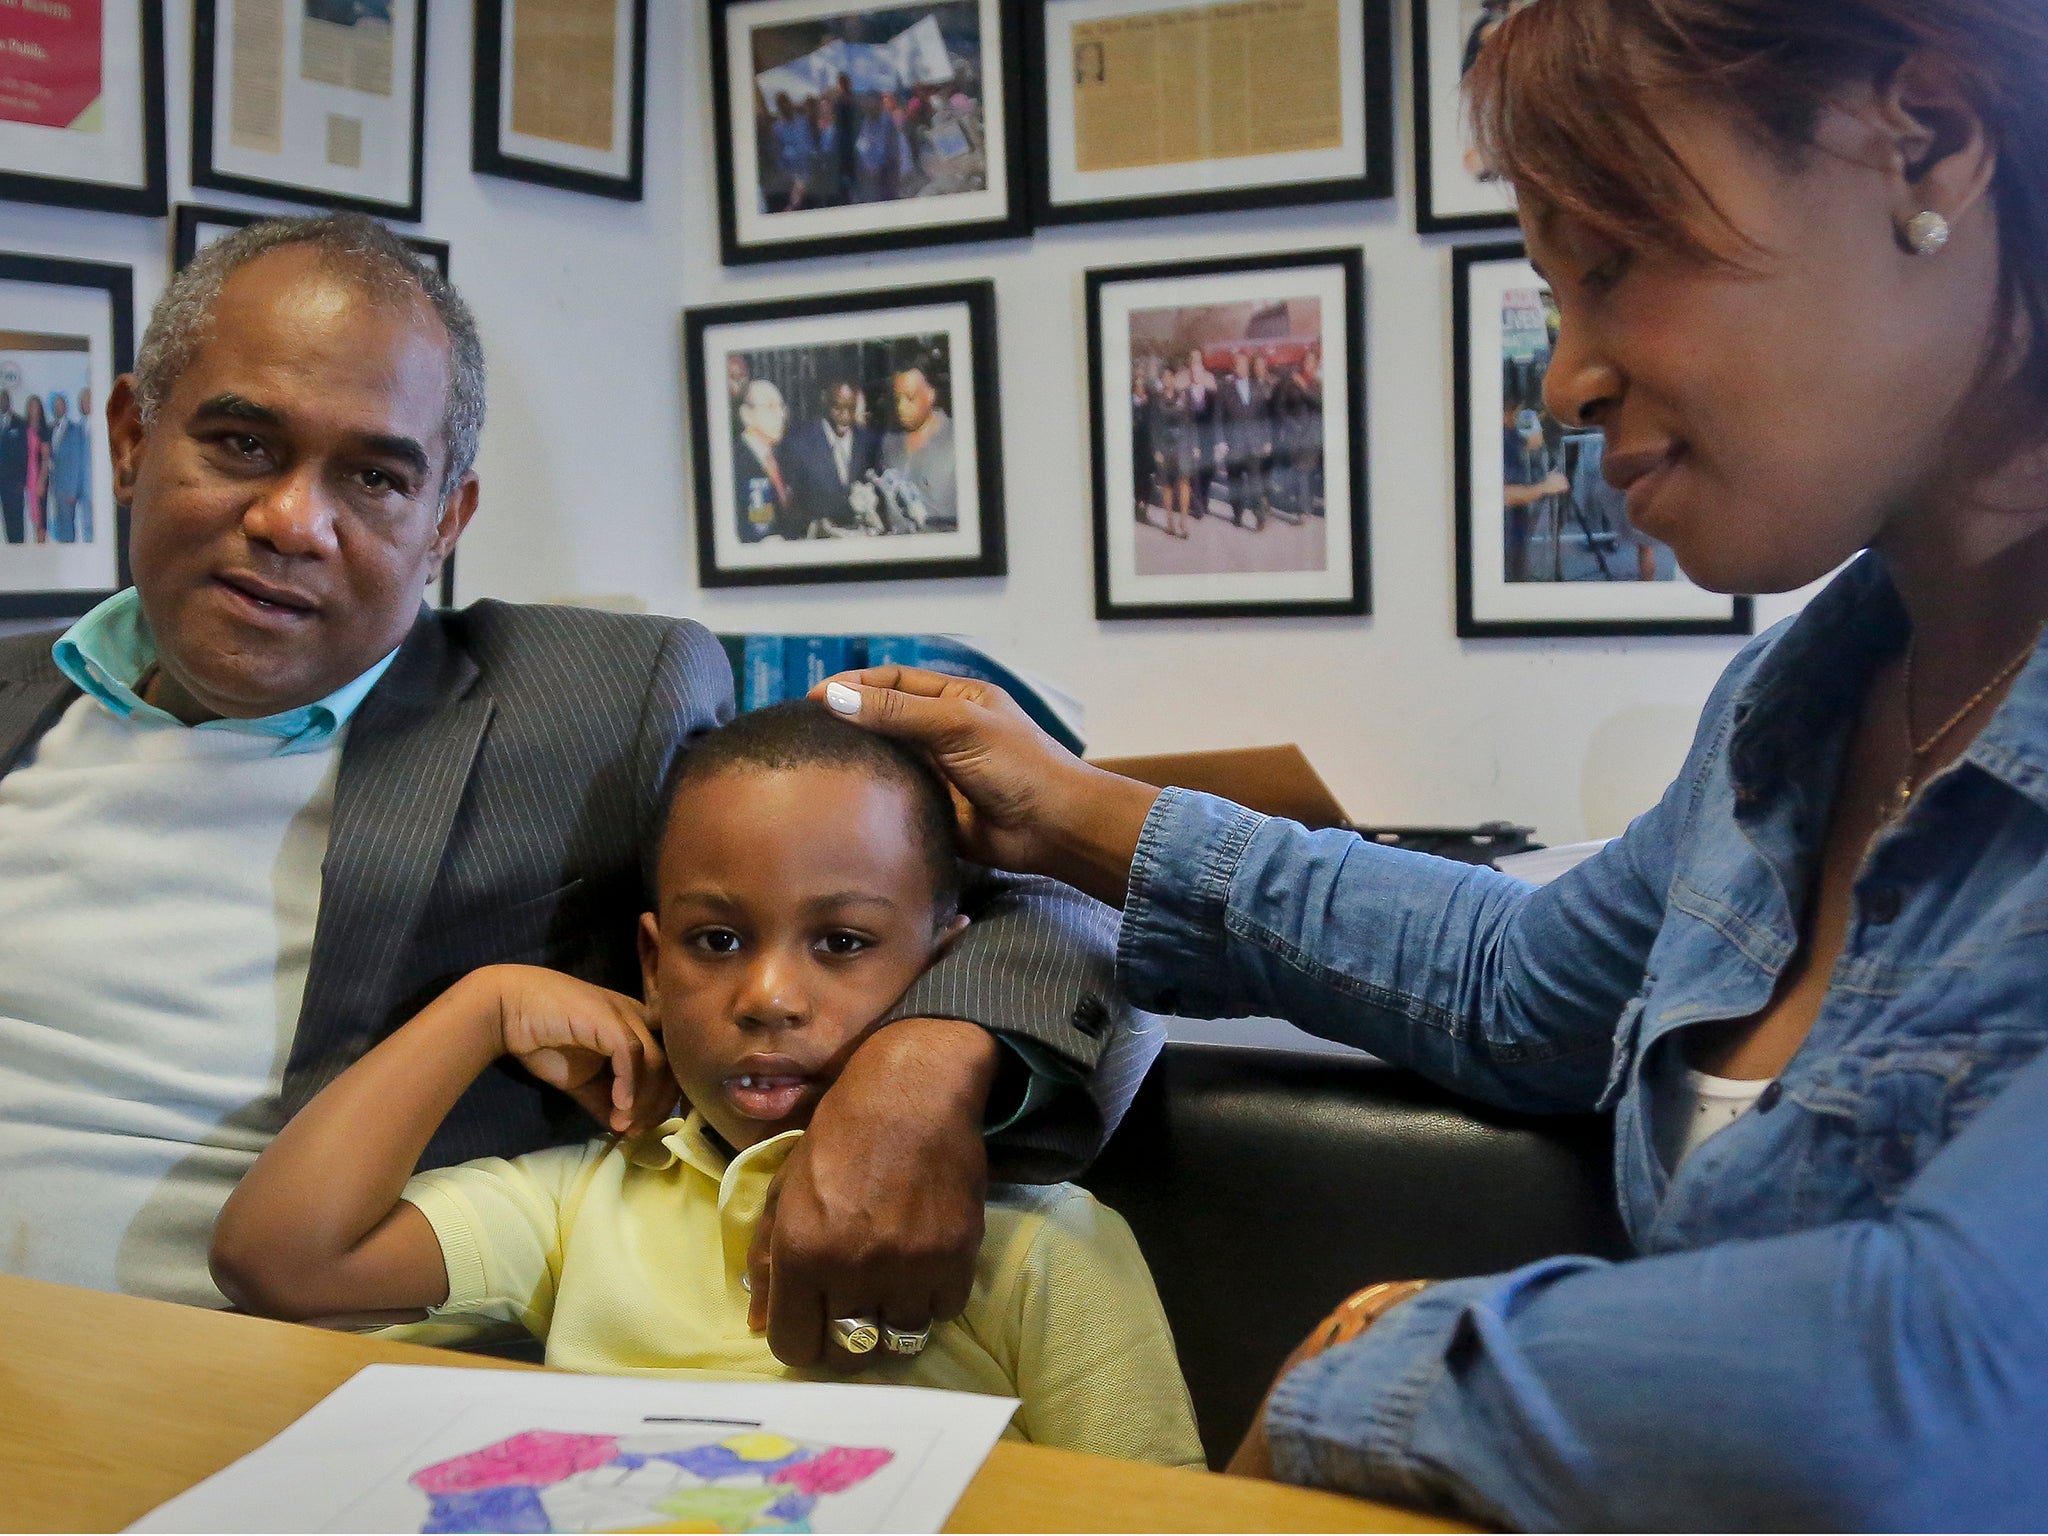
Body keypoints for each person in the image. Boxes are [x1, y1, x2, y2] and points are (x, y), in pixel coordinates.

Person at [809, 0, 2048, 1522]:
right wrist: (1064, 813)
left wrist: (1379, 1363)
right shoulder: (1796, 708)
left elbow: (1949, 1372)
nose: (1566, 380)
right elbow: (1516, 985)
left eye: (1612, 263)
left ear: (1928, 141)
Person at [0, 213, 1154, 1373]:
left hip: (275, 1375)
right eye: (244, 443)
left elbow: (1081, 888)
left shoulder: (595, 700)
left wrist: (923, 1074)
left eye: (375, 477)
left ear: (446, 520)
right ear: (132, 438)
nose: (294, 521)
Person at [211, 701, 1205, 1470]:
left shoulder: (1039, 1249)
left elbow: (1160, 1516)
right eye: (715, 940)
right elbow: (282, 1263)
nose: (768, 996)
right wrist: (480, 1008)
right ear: (651, 961)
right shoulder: (591, 1201)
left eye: (842, 942)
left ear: (942, 961)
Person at [783, 380, 882, 535]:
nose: (845, 416)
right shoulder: (798, 443)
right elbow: (789, 505)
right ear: (825, 400)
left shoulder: (869, 441)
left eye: (851, 408)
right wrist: (815, 528)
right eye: (838, 407)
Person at [880, 358, 957, 531]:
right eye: (897, 399)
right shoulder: (889, 442)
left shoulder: (957, 440)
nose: (901, 407)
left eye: (909, 398)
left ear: (931, 394)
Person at [1503, 404, 1569, 581]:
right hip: (1503, 536)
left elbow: (1530, 441)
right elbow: (1503, 495)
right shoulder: (1496, 434)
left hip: (1516, 531)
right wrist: (1545, 487)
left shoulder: (1509, 433)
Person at [732, 378, 799, 543]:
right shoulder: (736, 463)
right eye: (771, 407)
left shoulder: (782, 457)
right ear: (746, 415)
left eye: (781, 407)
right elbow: (758, 529)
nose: (781, 415)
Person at [1215, 351, 1273, 531]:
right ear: (1233, 367)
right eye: (1237, 364)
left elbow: (1264, 416)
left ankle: (1259, 516)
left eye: (1244, 364)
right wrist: (1220, 442)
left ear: (1248, 367)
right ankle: (1237, 513)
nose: (1241, 368)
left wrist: (1267, 439)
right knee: (1235, 482)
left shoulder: (1257, 387)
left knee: (1255, 481)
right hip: (1233, 444)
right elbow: (1217, 418)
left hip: (1254, 444)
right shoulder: (1225, 389)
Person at [1149, 369, 1196, 540]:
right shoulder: (1156, 400)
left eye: (1170, 376)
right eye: (1164, 377)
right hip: (1164, 447)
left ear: (1175, 378)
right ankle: (1169, 521)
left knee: (1184, 482)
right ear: (1162, 380)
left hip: (1182, 446)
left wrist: (1195, 445)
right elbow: (1153, 427)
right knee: (1167, 485)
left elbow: (1191, 423)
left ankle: (1183, 521)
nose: (1168, 380)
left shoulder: (1184, 397)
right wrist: (1156, 450)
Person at [47, 391, 88, 544]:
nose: (58, 408)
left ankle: (70, 558)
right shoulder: (50, 428)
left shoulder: (75, 430)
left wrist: (73, 490)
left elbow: (77, 462)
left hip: (68, 489)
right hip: (54, 487)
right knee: (58, 526)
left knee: (68, 528)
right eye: (55, 405)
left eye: (60, 405)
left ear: (66, 407)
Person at [771, 95, 816, 212]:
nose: (785, 107)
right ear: (779, 108)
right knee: (795, 202)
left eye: (786, 103)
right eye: (781, 105)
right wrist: (791, 177)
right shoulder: (777, 128)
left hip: (810, 172)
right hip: (792, 176)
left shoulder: (803, 121)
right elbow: (778, 157)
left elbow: (810, 144)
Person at [22, 393, 49, 543]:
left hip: (38, 476)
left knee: (41, 515)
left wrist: (42, 481)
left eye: (36, 406)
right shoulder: (23, 429)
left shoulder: (44, 430)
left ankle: (41, 544)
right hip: (26, 476)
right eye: (31, 407)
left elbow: (45, 459)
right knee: (31, 514)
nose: (34, 409)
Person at [0, 390, 24, 544]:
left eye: (4, 400)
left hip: (12, 484)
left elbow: (24, 454)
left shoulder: (19, 423)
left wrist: (21, 480)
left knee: (14, 523)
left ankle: (19, 557)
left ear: (9, 402)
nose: (2, 403)